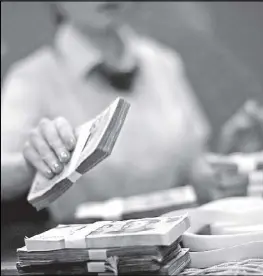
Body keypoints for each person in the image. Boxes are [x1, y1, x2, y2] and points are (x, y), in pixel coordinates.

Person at [1, 2, 215, 222]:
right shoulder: (31, 78)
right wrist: (31, 162)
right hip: (87, 248)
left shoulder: (163, 62)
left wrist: (225, 170)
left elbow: (194, 162)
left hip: (178, 237)